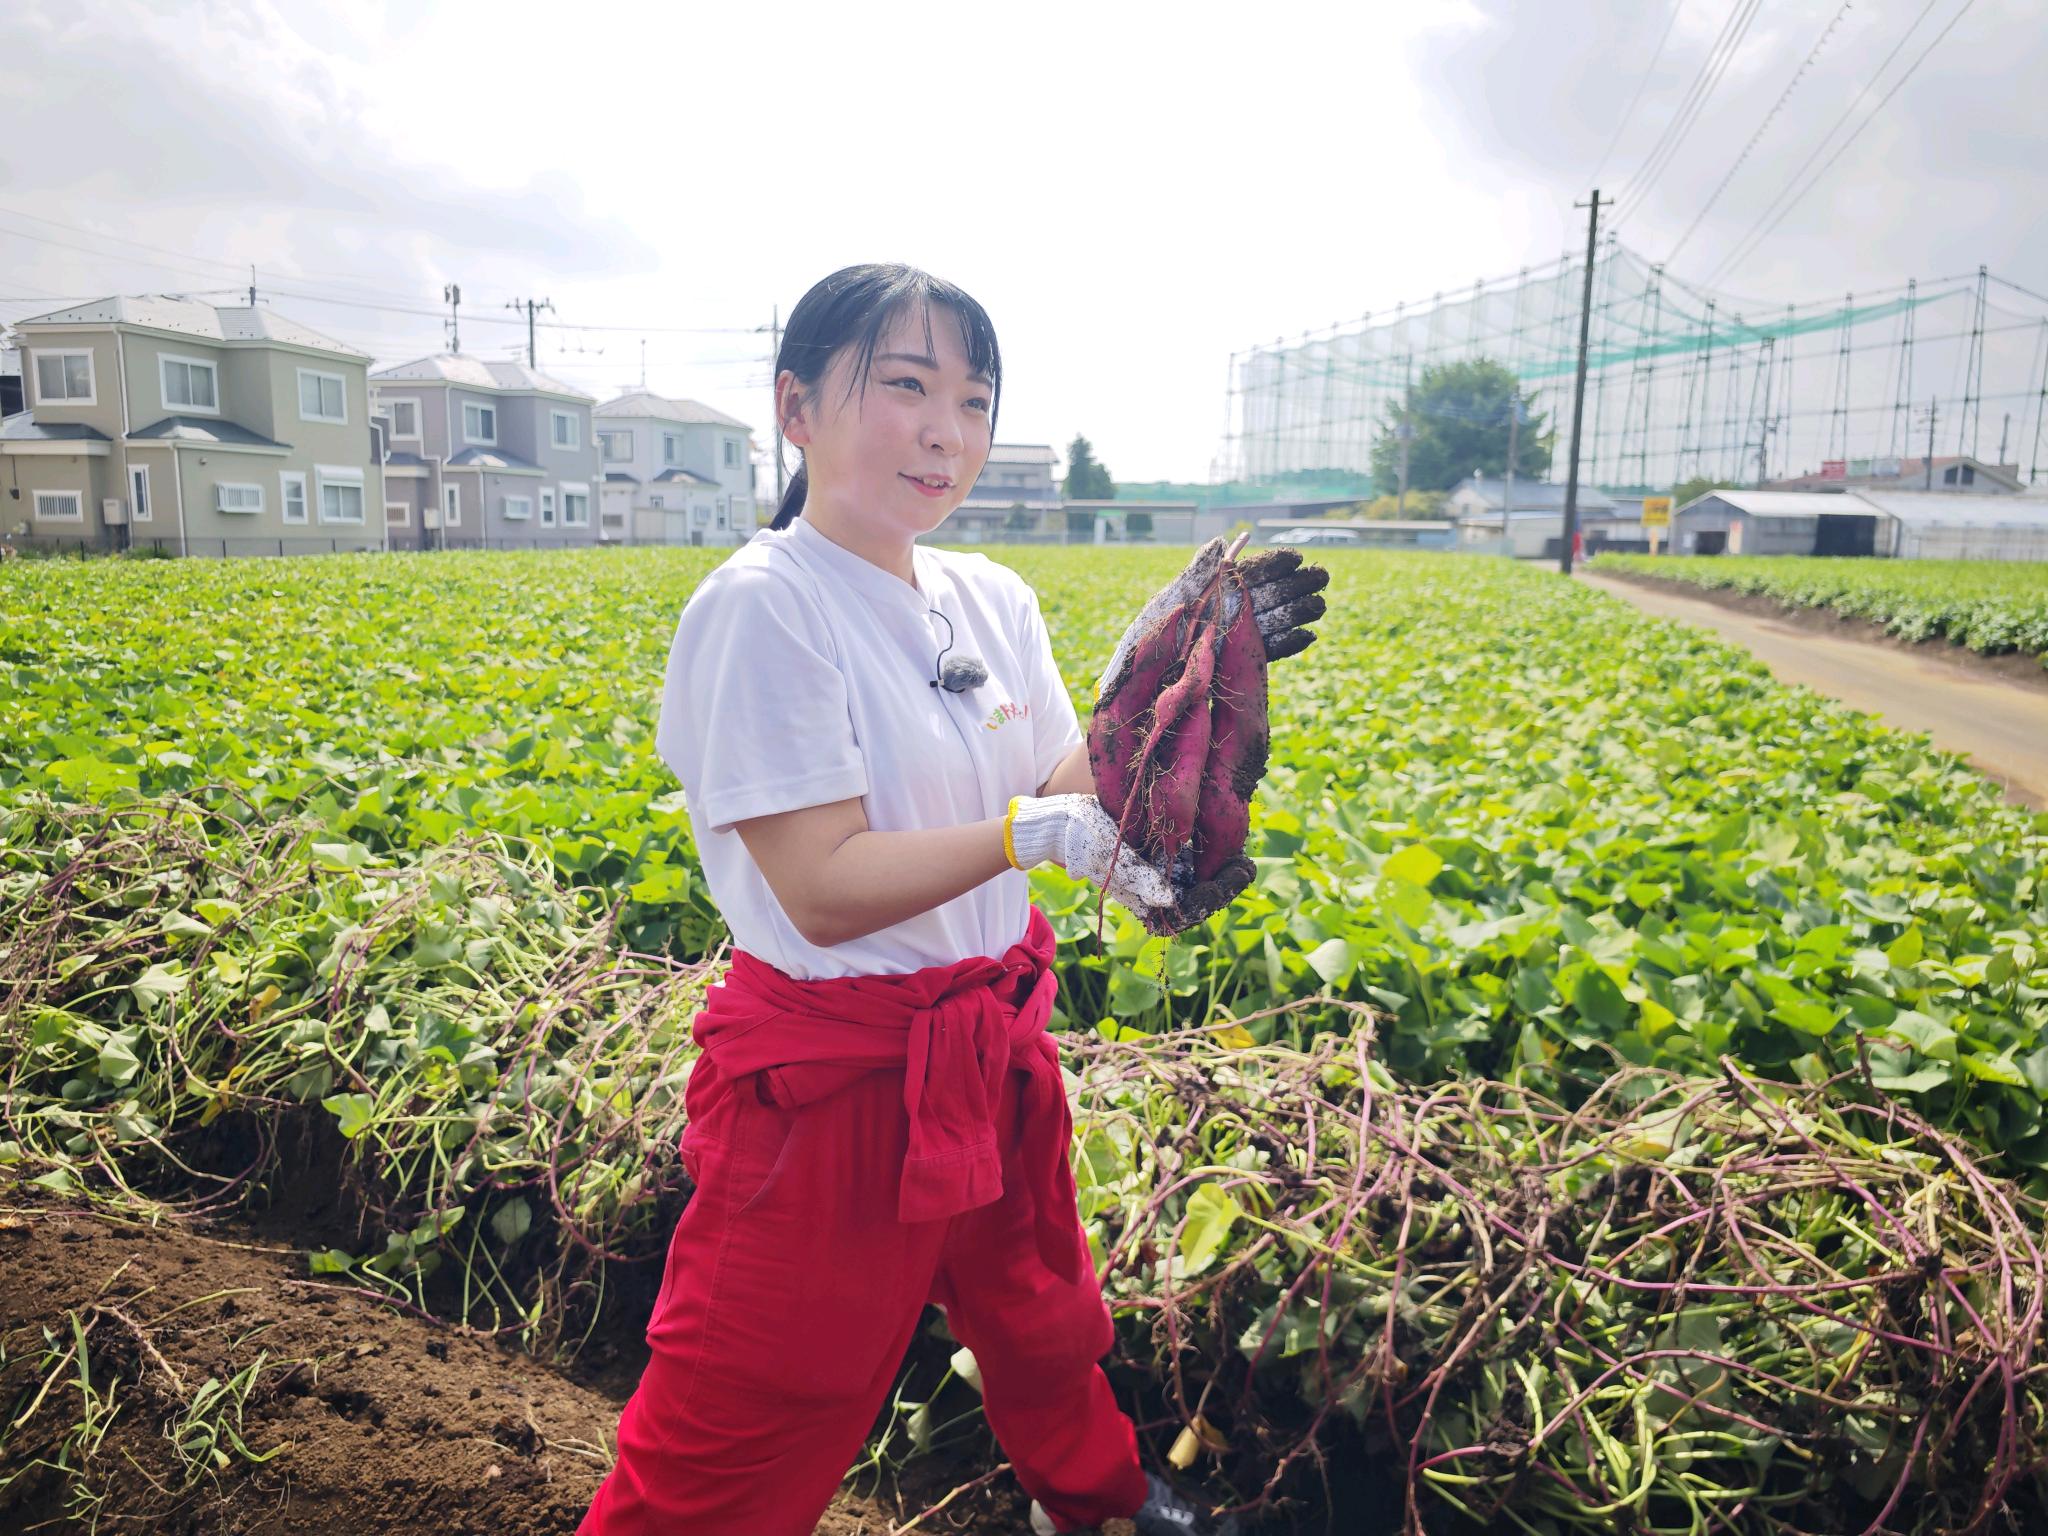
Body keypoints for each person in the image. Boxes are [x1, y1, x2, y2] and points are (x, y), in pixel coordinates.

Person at [578, 263, 1307, 1536]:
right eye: (904, 387)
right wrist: (1033, 833)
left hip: (984, 1039)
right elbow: (820, 887)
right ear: (795, 408)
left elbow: (1059, 783)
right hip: (833, 1083)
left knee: (1038, 1311)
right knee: (753, 1391)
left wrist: (1165, 673)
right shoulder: (766, 606)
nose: (943, 432)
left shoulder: (987, 595)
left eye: (971, 401)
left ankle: (1096, 1508)